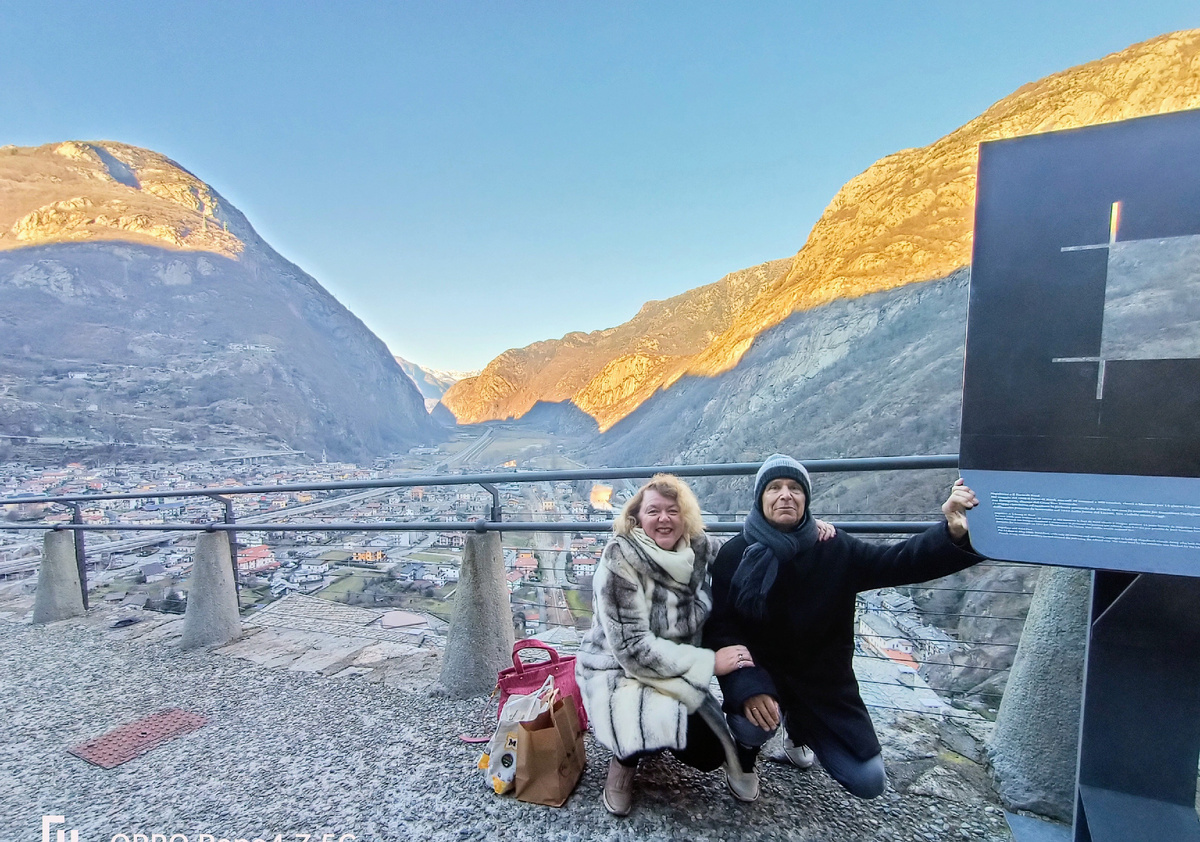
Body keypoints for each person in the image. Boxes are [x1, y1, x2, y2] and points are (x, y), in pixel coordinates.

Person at [703, 453, 981, 800]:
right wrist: (748, 686)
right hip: (763, 677)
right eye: (774, 488)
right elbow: (723, 630)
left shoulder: (836, 548)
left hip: (822, 685)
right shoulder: (735, 554)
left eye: (794, 488)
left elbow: (898, 562)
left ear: (806, 499)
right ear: (760, 499)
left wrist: (951, 532)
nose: (785, 495)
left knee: (868, 780)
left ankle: (798, 733)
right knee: (750, 721)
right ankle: (744, 757)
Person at [576, 472, 833, 815]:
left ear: (686, 517)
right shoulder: (619, 561)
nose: (664, 519)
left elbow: (747, 552)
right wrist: (710, 663)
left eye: (673, 510)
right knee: (634, 709)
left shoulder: (698, 548)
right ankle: (623, 762)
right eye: (653, 511)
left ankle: (654, 740)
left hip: (677, 672)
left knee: (709, 753)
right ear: (636, 519)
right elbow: (633, 651)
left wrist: (804, 531)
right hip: (621, 670)